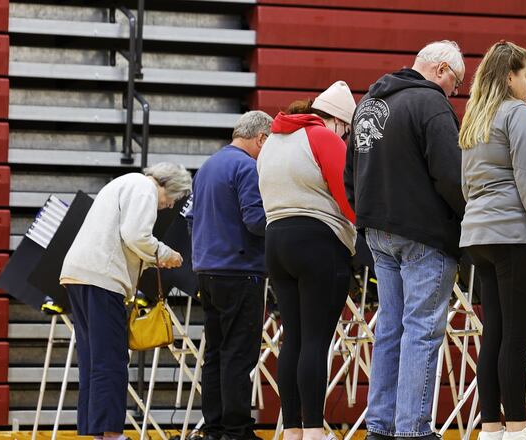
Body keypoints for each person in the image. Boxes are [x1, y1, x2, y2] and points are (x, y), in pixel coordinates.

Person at [344, 40, 466, 440]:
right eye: (456, 84)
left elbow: (350, 177)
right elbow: (452, 175)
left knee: (391, 329)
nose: (454, 93)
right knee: (422, 329)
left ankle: (379, 425)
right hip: (423, 232)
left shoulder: (368, 103)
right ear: (443, 70)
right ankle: (413, 428)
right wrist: (468, 218)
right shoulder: (431, 103)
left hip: (377, 231)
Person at [458, 41, 526, 440]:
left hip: (479, 237)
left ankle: (491, 428)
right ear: (509, 76)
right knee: (516, 338)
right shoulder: (517, 113)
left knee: (495, 335)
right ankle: (517, 428)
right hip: (516, 238)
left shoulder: (475, 118)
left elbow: (468, 185)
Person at [60, 163, 191, 440]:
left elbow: (124, 237)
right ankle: (111, 434)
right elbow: (136, 235)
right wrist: (166, 253)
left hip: (79, 276)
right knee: (112, 359)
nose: (168, 207)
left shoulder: (124, 182)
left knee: (93, 359)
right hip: (102, 279)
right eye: (172, 199)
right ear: (168, 186)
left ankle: (96, 432)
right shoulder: (144, 188)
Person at [257, 81, 357, 440]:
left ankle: (293, 430)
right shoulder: (323, 137)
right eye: (346, 129)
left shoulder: (272, 141)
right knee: (316, 340)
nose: (345, 136)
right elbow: (348, 197)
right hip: (317, 241)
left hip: (276, 240)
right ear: (337, 120)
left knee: (294, 339)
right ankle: (315, 429)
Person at [187, 110, 273, 440]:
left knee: (215, 353)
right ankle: (237, 430)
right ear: (260, 138)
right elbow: (255, 220)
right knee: (239, 353)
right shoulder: (247, 167)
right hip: (240, 271)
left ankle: (215, 427)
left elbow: (192, 219)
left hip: (207, 270)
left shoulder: (208, 166)